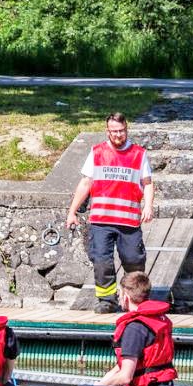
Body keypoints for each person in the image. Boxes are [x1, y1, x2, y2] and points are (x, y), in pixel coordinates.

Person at [65, 112, 155, 314]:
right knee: (102, 260)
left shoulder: (138, 154)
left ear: (127, 129)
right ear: (107, 131)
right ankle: (107, 300)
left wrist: (148, 206)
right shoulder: (97, 152)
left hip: (129, 221)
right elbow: (86, 183)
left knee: (134, 260)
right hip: (101, 220)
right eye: (114, 131)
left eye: (121, 131)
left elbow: (147, 184)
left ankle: (135, 298)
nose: (118, 135)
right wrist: (72, 212)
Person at [71, 271, 177, 386]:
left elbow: (125, 377)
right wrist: (99, 385)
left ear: (125, 296)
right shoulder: (156, 318)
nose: (118, 297)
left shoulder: (134, 328)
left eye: (119, 293)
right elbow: (122, 366)